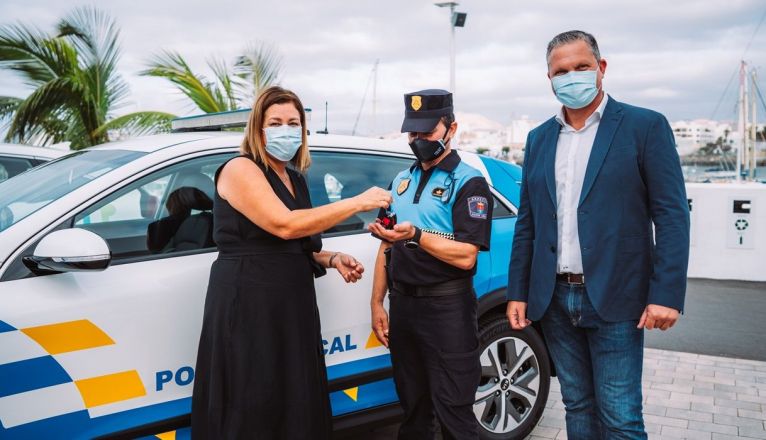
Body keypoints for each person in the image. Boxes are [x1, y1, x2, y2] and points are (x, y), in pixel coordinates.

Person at [505, 30, 690, 439]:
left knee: (621, 415)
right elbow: (528, 224)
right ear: (549, 78)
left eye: (581, 67)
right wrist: (518, 290)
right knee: (578, 406)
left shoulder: (645, 126)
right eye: (561, 71)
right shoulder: (538, 138)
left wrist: (666, 295)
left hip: (617, 297)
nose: (572, 77)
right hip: (553, 299)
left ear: (601, 69)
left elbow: (672, 215)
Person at [191, 86, 392, 439]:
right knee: (253, 398)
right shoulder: (241, 169)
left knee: (291, 398)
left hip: (291, 306)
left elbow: (296, 242)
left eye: (293, 123)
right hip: (250, 306)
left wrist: (331, 258)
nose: (286, 130)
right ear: (258, 129)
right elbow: (283, 225)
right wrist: (357, 202)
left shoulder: (294, 178)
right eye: (276, 122)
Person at [368, 89, 493, 440]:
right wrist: (377, 302)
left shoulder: (469, 182)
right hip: (404, 307)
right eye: (413, 133)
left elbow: (467, 253)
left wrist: (417, 236)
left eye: (427, 132)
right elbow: (385, 245)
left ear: (451, 128)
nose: (419, 140)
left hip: (447, 309)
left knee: (454, 411)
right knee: (413, 409)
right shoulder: (400, 181)